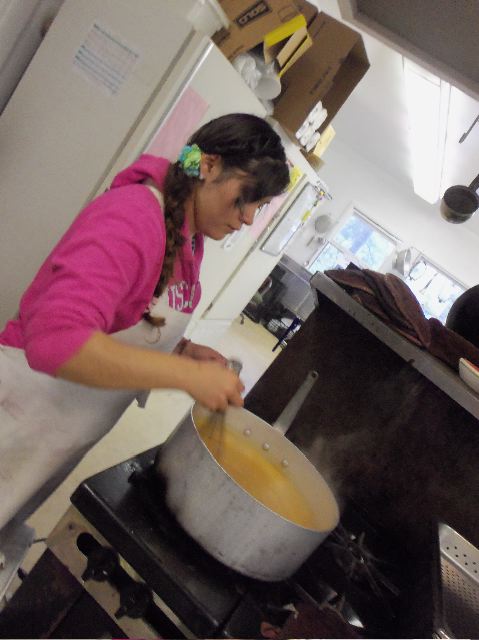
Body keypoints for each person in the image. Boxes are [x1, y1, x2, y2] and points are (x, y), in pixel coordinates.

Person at [0, 112, 290, 533]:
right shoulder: (133, 217)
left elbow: (129, 313)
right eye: (248, 197)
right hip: (19, 415)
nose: (248, 219)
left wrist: (181, 350)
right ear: (209, 166)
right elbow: (55, 340)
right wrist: (186, 376)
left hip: (53, 434)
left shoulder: (189, 237)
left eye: (260, 207)